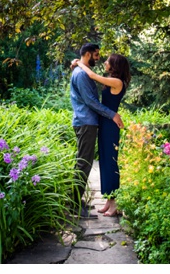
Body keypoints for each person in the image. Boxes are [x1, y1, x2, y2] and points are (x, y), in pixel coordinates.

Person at [70, 43, 124, 219]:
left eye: (105, 58)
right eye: (96, 55)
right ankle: (75, 204)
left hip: (97, 123)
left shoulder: (88, 74)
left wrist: (78, 63)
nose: (100, 59)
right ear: (87, 54)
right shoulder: (82, 74)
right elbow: (91, 102)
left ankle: (104, 201)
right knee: (84, 162)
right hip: (88, 122)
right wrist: (112, 114)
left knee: (94, 162)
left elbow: (94, 77)